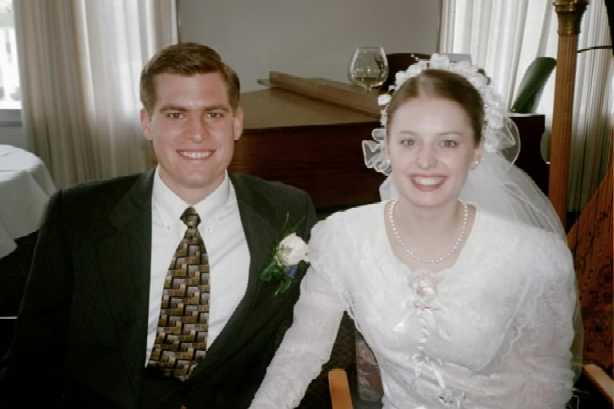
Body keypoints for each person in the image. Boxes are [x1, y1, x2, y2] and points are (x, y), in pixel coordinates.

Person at [249, 55, 579, 409]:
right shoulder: (343, 238)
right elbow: (301, 352)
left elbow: (546, 381)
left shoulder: (534, 256)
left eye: (448, 142)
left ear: (477, 150)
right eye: (408, 141)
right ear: (387, 145)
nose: (425, 160)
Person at [0, 42, 317, 409]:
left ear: (237, 122)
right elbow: (33, 356)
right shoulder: (77, 215)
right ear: (146, 123)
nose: (196, 133)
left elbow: (301, 338)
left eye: (213, 114)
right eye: (175, 115)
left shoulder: (288, 211)